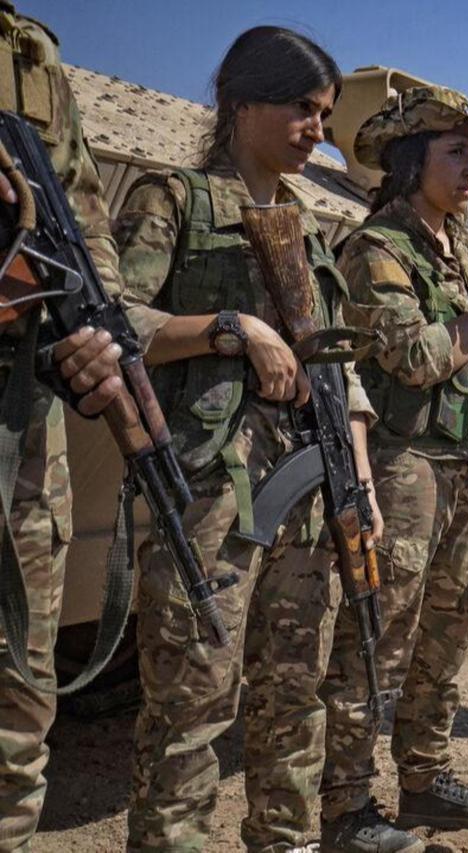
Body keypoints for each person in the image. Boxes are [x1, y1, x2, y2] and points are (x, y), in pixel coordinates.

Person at [112, 27, 383, 851]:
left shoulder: (306, 222)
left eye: (325, 114)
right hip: (209, 495)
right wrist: (229, 328)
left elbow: (344, 372)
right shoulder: (177, 199)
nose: (316, 128)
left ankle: (287, 838)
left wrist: (360, 484)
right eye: (302, 107)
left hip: (309, 491)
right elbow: (113, 317)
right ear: (242, 100)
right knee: (192, 702)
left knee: (294, 690)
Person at [318, 83, 468, 848]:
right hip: (406, 464)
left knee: (448, 633)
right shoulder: (378, 249)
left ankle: (423, 779)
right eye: (458, 152)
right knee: (377, 637)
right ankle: (347, 806)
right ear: (414, 161)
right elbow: (417, 357)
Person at [0, 3, 163, 848]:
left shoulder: (26, 54)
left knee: (18, 718)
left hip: (19, 425)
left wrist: (94, 324)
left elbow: (83, 220)